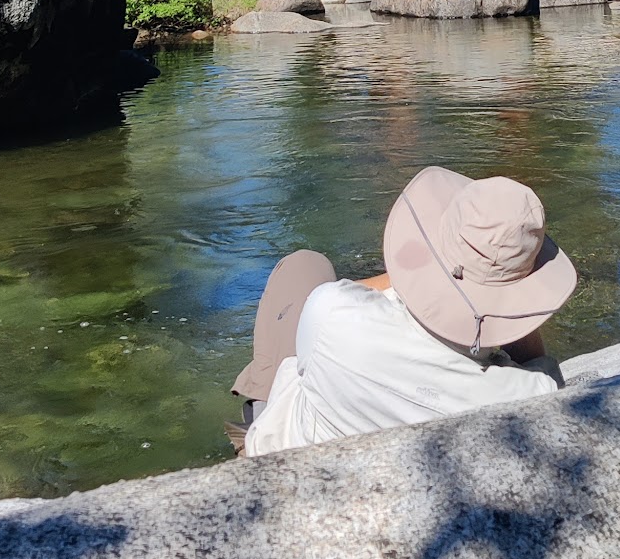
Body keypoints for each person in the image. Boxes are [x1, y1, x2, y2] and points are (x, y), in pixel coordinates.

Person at [234, 167, 577, 457]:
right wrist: (510, 315)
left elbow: (337, 296)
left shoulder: (330, 314)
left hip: (294, 455)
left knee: (304, 265)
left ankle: (248, 441)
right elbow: (538, 365)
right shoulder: (532, 395)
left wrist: (413, 277)